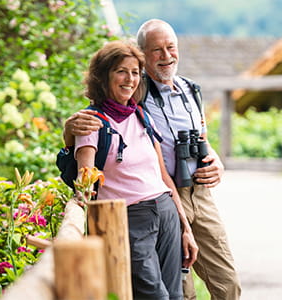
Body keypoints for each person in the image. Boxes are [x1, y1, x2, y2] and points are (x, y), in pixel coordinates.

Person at [64, 19, 241, 300]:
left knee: (227, 283)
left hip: (191, 193)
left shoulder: (189, 91)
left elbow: (202, 136)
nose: (166, 56)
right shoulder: (133, 90)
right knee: (179, 292)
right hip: (148, 200)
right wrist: (68, 131)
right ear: (143, 53)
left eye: (171, 47)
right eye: (156, 50)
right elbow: (92, 127)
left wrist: (216, 160)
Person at [74, 40, 197, 300]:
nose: (129, 79)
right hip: (129, 219)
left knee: (175, 295)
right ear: (103, 76)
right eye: (121, 71)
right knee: (154, 296)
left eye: (134, 72)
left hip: (166, 213)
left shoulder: (141, 115)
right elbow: (84, 181)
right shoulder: (90, 122)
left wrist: (185, 227)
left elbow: (163, 177)